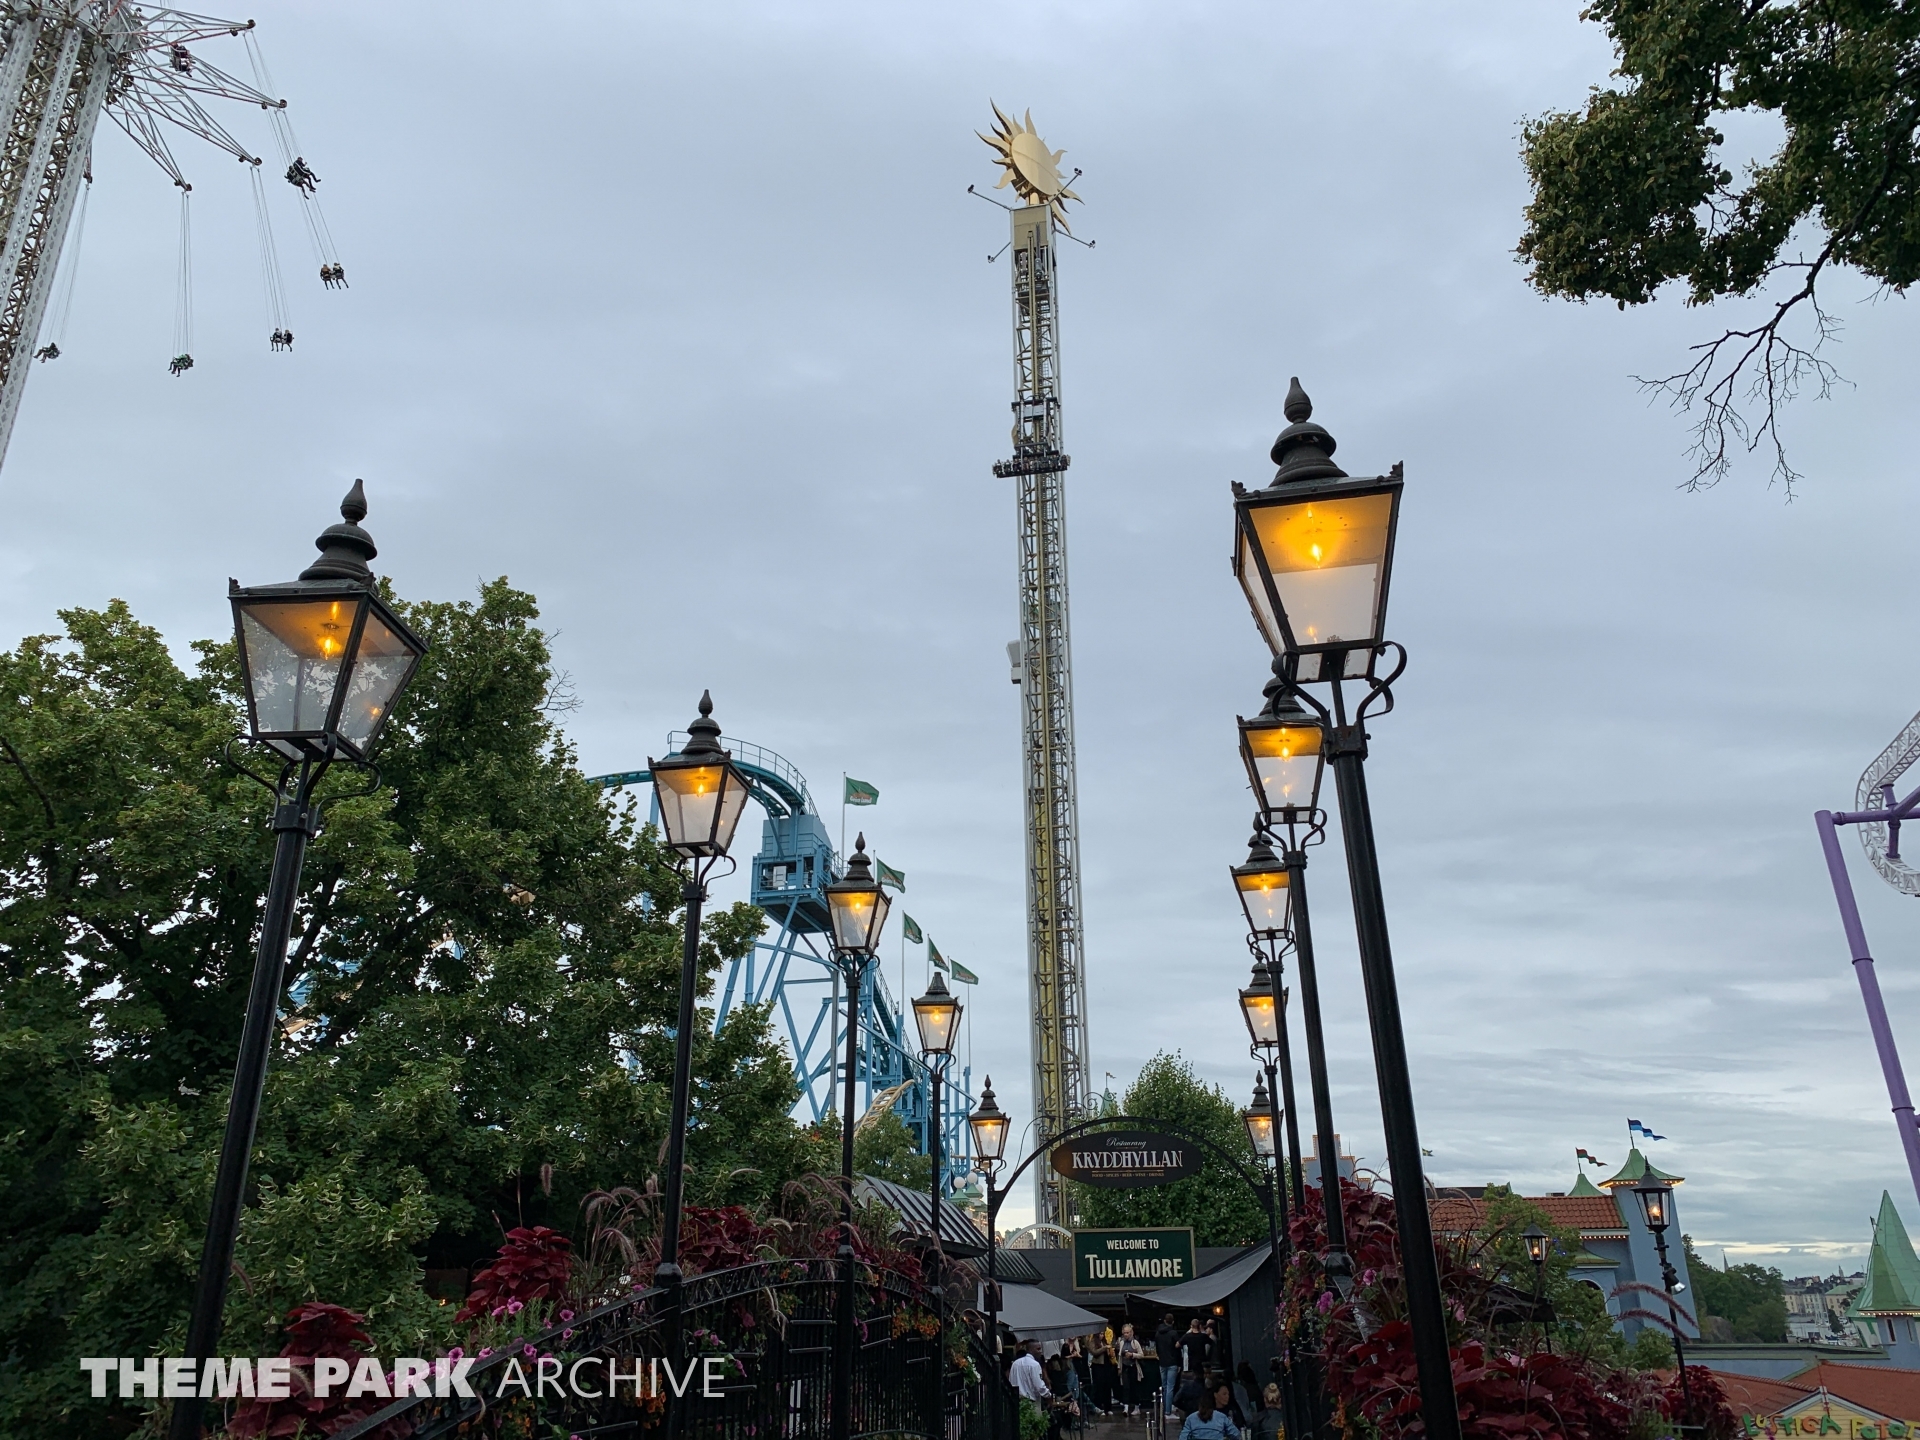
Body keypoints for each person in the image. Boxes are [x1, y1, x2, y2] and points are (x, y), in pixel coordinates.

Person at [1115, 1322, 1145, 1415]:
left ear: (1131, 1332)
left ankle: (1136, 1407)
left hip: (1133, 1367)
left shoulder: (1135, 1342)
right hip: (1124, 1367)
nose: (1126, 1335)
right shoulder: (1121, 1342)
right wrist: (1119, 1367)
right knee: (1125, 1387)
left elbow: (1141, 1355)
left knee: (1135, 1387)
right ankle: (1126, 1408)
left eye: (1127, 1333)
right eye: (1124, 1333)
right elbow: (1119, 1356)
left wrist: (1132, 1355)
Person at [1155, 1314, 1182, 1417]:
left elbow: (1157, 1348)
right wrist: (1179, 1363)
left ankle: (1166, 1408)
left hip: (1162, 1362)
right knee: (1170, 1387)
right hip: (1172, 1362)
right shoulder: (1173, 1333)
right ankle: (1168, 1411)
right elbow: (1178, 1350)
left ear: (1164, 1321)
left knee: (1165, 1387)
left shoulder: (1158, 1333)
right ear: (1173, 1322)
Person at [1089, 1330, 1116, 1415]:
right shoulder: (1093, 1341)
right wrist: (1104, 1348)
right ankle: (1099, 1407)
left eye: (1103, 1334)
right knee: (1099, 1387)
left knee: (1107, 1386)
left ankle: (1108, 1408)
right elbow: (1094, 1352)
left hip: (1106, 1365)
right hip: (1098, 1365)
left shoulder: (1105, 1341)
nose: (1102, 1336)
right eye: (1100, 1334)